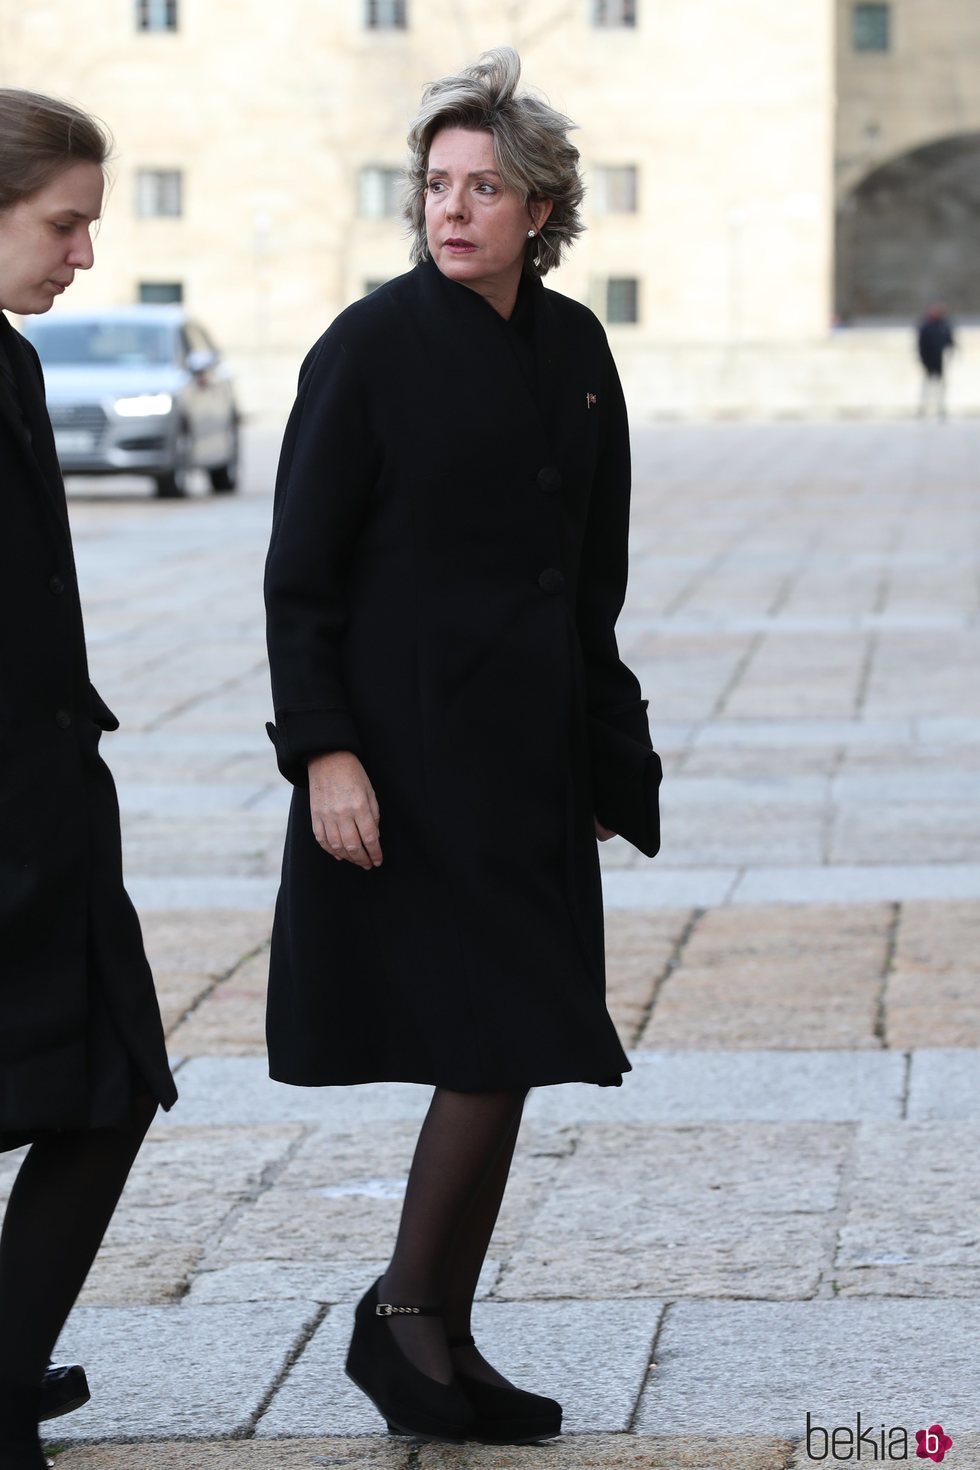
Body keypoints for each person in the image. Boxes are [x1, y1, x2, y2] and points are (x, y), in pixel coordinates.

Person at [264, 47, 660, 1445]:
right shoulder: (368, 348)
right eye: (437, 184)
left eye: (486, 186)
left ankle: (440, 1327)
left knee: (520, 1039)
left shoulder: (577, 349)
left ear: (542, 209)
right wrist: (325, 754)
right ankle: (402, 1321)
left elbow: (588, 572)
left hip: (531, 765)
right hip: (413, 767)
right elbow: (298, 576)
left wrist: (608, 762)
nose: (454, 209)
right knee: (496, 1036)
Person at [0, 89, 177, 1469]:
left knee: (109, 1081)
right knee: (99, 1086)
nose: (85, 254)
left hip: (48, 802)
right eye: (64, 224)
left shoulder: (8, 364)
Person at [917, 303, 955, 419]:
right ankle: (924, 407)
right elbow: (921, 345)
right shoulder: (926, 327)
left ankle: (940, 407)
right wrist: (923, 360)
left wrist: (950, 353)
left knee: (940, 385)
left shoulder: (944, 326)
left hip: (940, 361)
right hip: (928, 360)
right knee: (927, 385)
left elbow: (950, 342)